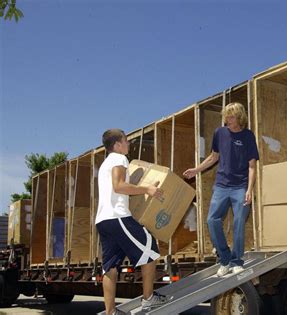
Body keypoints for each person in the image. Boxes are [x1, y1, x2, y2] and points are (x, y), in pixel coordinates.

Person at [95, 129, 171, 315]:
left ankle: (111, 311)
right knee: (151, 248)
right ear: (118, 144)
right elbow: (119, 186)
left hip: (103, 221)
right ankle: (148, 300)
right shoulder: (119, 159)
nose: (129, 145)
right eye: (126, 141)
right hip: (117, 217)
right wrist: (147, 189)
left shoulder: (106, 163)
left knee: (110, 266)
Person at [183, 102, 259, 277]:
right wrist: (196, 170)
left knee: (239, 223)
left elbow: (252, 166)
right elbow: (213, 157)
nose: (227, 120)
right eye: (226, 116)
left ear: (239, 118)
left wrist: (249, 190)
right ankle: (225, 259)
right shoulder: (220, 133)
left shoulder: (248, 136)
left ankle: (237, 261)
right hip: (222, 186)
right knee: (212, 220)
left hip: (241, 187)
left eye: (231, 117)